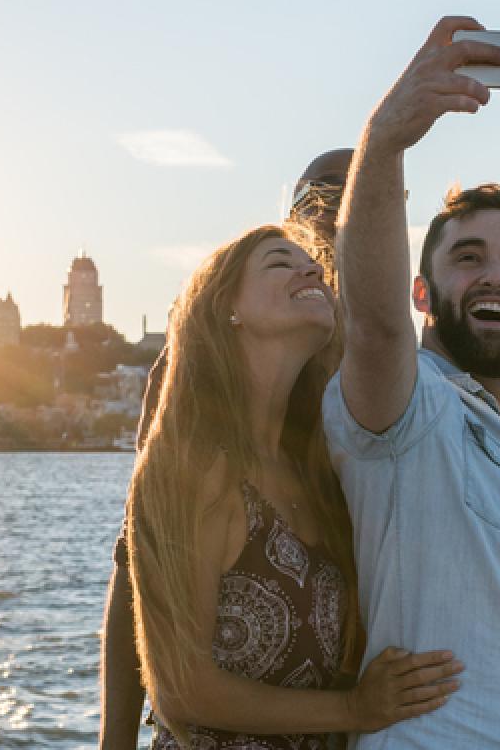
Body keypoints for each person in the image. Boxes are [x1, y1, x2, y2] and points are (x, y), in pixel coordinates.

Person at [324, 15, 500, 748]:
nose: (495, 275)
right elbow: (374, 328)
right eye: (468, 256)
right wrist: (386, 139)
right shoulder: (408, 411)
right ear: (421, 293)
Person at [122, 224, 462, 749]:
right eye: (281, 263)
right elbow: (181, 690)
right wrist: (355, 708)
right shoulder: (196, 463)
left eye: (315, 266)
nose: (311, 271)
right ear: (224, 308)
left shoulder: (319, 469)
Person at [99, 150, 355, 749]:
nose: (335, 222)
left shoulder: (387, 373)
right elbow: (137, 563)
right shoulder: (194, 409)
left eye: (364, 199)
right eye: (320, 204)